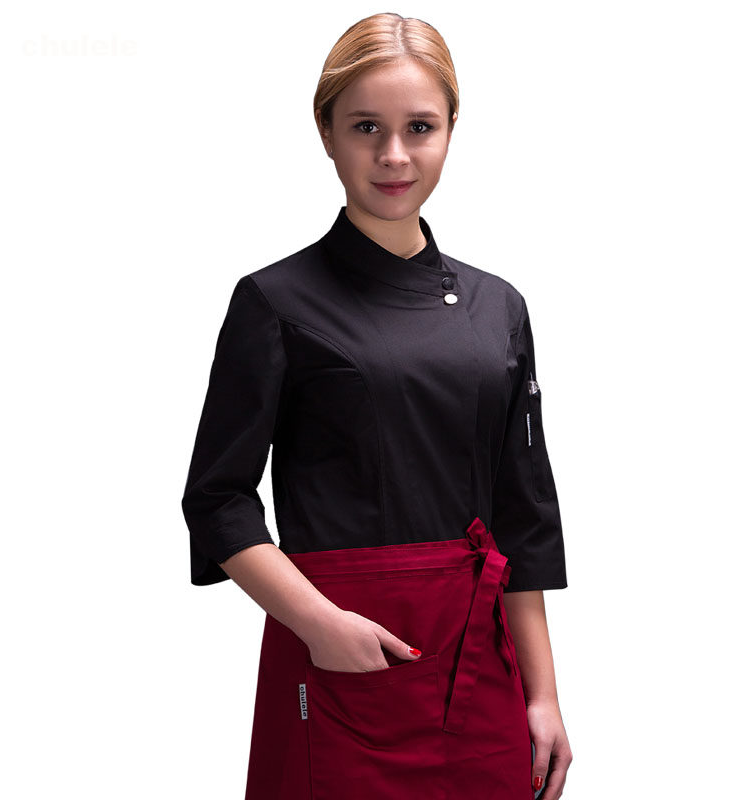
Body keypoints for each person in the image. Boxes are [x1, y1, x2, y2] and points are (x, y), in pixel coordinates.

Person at [181, 12, 573, 800]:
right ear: (326, 133)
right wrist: (319, 624)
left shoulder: (498, 307)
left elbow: (521, 512)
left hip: (478, 662)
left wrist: (544, 696)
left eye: (419, 127)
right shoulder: (275, 302)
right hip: (339, 656)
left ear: (451, 130)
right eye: (366, 127)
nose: (394, 155)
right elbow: (217, 499)